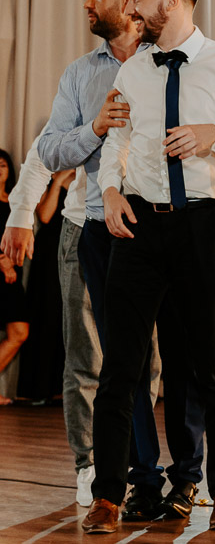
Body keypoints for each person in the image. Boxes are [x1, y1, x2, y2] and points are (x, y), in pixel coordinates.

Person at [84, 0, 215, 534]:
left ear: (173, 0)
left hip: (203, 225)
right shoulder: (133, 71)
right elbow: (116, 142)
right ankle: (108, 496)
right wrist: (110, 192)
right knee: (120, 366)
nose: (130, 7)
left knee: (214, 364)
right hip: (138, 227)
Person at [37, 0, 204, 521]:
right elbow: (50, 151)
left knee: (180, 356)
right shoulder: (80, 74)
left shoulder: (178, 60)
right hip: (101, 229)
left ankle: (187, 476)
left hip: (172, 226)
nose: (88, 1)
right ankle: (139, 478)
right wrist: (95, 129)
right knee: (118, 364)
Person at [0, 135, 104, 506]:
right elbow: (41, 160)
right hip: (75, 231)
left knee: (142, 356)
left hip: (135, 227)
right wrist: (21, 215)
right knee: (81, 353)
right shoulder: (80, 91)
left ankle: (137, 465)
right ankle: (88, 463)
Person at [16, 166, 76, 402]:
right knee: (47, 314)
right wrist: (58, 181)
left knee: (72, 317)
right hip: (50, 253)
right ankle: (40, 388)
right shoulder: (50, 179)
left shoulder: (90, 174)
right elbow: (45, 216)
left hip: (78, 248)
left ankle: (67, 388)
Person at [0, 148, 31, 404]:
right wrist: (3, 263)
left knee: (19, 332)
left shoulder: (14, 201)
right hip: (3, 271)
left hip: (12, 276)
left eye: (2, 165)